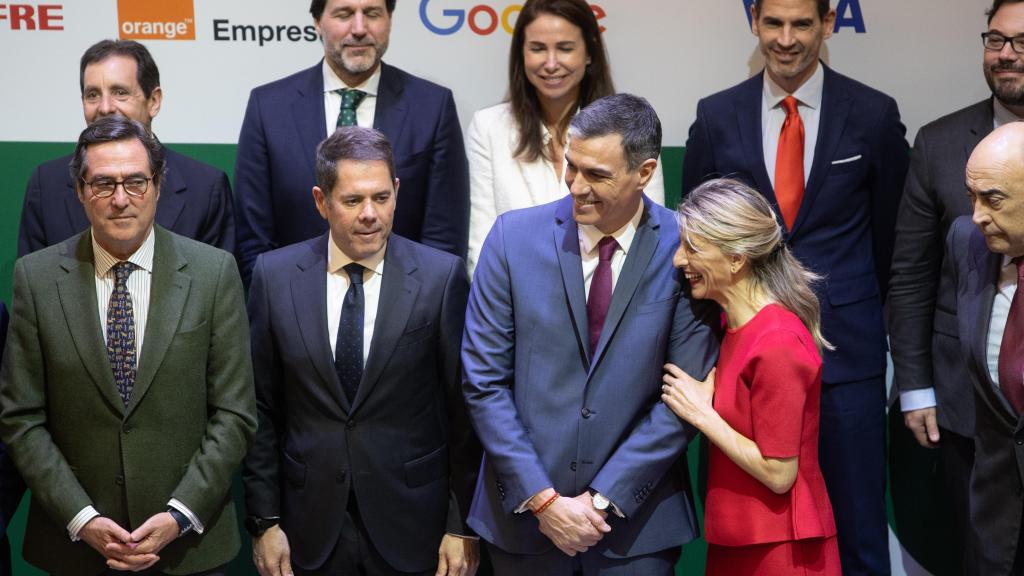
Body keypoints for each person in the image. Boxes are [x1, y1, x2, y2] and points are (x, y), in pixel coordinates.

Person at [680, 1, 909, 572]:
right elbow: (698, 235)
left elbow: (892, 241)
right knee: (752, 525)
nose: (786, 39)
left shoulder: (874, 114)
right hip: (744, 362)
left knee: (859, 528)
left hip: (846, 357)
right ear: (753, 22)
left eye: (802, 23)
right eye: (773, 23)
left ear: (828, 23)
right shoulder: (716, 115)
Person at [462, 93, 719, 575]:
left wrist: (601, 501)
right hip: (524, 524)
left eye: (597, 175)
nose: (577, 186)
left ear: (644, 172)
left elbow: (685, 397)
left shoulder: (685, 248)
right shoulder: (511, 238)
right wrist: (543, 500)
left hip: (637, 530)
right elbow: (484, 383)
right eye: (571, 166)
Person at [0, 116, 256, 574]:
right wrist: (83, 519)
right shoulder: (36, 279)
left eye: (135, 182)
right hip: (75, 551)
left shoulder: (213, 273)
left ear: (157, 186)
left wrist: (180, 514)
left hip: (190, 550)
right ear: (80, 191)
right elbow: (21, 418)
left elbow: (235, 412)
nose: (121, 199)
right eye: (103, 184)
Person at [243, 126, 481, 576]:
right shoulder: (274, 278)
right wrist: (264, 520)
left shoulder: (440, 278)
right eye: (352, 201)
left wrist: (462, 525)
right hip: (308, 527)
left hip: (416, 527)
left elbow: (464, 413)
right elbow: (260, 408)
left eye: (381, 198)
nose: (370, 214)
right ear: (321, 201)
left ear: (397, 192)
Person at [888, 3, 1024, 572]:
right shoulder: (940, 143)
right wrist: (916, 386)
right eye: (996, 39)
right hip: (966, 404)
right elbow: (911, 275)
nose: (1007, 54)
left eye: (1022, 41)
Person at [661, 179, 839, 575]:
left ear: (736, 258)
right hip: (737, 541)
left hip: (781, 551)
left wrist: (703, 415)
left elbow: (779, 474)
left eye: (692, 248)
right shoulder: (733, 326)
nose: (678, 260)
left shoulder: (777, 340)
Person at [235, 0, 469, 284]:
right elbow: (253, 240)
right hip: (294, 302)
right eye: (344, 14)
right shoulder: (269, 107)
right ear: (318, 22)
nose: (359, 28)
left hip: (407, 303)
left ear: (389, 19)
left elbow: (444, 238)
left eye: (372, 13)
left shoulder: (432, 106)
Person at [465, 0, 664, 275]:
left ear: (589, 52)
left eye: (565, 48)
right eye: (537, 49)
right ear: (521, 53)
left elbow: (650, 236)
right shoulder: (488, 127)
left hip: (611, 292)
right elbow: (482, 247)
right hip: (515, 296)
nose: (550, 63)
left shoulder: (632, 127)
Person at [18, 39, 235, 257]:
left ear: (154, 101)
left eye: (120, 92)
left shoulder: (206, 189)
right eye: (93, 95)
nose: (105, 107)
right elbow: (35, 275)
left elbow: (214, 276)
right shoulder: (46, 186)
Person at [948, 122, 1024, 575]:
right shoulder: (968, 243)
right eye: (971, 196)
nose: (976, 215)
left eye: (993, 199)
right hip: (998, 524)